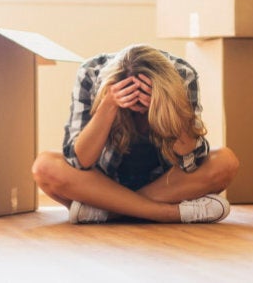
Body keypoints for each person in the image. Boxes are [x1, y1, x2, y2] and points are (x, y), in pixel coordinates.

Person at [32, 44, 239, 224]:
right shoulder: (91, 73)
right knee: (45, 167)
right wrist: (109, 104)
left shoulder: (182, 74)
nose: (137, 110)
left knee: (225, 162)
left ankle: (108, 213)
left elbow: (190, 161)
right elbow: (79, 162)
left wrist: (167, 108)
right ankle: (167, 213)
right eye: (131, 104)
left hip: (166, 183)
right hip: (104, 181)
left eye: (143, 104)